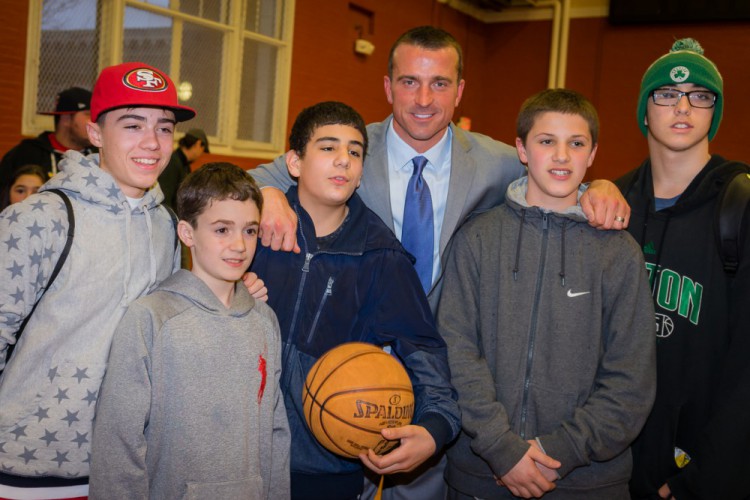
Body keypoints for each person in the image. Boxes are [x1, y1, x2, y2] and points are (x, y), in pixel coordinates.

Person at [250, 25, 631, 499]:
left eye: (440, 83)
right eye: (409, 81)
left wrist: (600, 188)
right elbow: (262, 174)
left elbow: (556, 167)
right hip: (350, 365)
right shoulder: (350, 146)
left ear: (460, 91)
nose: (424, 98)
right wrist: (264, 193)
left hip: (444, 368)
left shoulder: (495, 159)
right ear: (388, 87)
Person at [438, 89, 656, 500]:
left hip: (586, 482)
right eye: (546, 141)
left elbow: (631, 378)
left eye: (576, 143)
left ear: (592, 155)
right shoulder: (478, 238)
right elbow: (456, 351)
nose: (561, 156)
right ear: (521, 149)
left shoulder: (618, 251)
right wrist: (503, 448)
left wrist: (557, 450)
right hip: (482, 476)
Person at [0, 61, 196, 499]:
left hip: (123, 470)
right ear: (94, 132)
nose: (152, 142)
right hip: (24, 470)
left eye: (165, 128)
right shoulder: (39, 218)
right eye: (132, 125)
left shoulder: (166, 226)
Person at [249, 101, 460, 500]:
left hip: (324, 463)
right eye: (328, 148)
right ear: (294, 161)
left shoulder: (382, 257)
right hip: (236, 453)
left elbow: (424, 351)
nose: (343, 160)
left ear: (362, 172)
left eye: (355, 152)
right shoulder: (253, 226)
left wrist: (435, 429)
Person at [90, 163, 290, 499]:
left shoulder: (264, 320)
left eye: (250, 231)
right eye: (222, 230)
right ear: (187, 233)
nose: (239, 245)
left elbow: (276, 430)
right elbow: (119, 442)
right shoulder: (150, 318)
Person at [616, 38, 750, 500]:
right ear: (644, 110)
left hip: (699, 469)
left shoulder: (741, 205)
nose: (683, 106)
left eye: (700, 95)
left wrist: (708, 475)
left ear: (715, 111)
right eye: (667, 94)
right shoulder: (613, 204)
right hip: (607, 463)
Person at [0, 87, 95, 186]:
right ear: (66, 119)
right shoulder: (26, 155)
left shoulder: (100, 155)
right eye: (88, 114)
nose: (95, 122)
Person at [158, 128, 210, 210]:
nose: (201, 155)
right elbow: (165, 196)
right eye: (202, 150)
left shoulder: (183, 165)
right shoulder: (173, 163)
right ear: (198, 143)